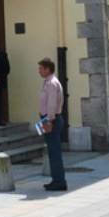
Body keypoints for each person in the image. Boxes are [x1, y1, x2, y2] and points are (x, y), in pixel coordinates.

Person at [38, 57, 67, 191]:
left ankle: (59, 181)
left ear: (47, 69)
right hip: (49, 119)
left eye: (41, 68)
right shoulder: (49, 82)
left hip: (52, 120)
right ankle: (56, 179)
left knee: (54, 151)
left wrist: (49, 120)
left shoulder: (51, 83)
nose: (39, 71)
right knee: (52, 151)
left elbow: (52, 104)